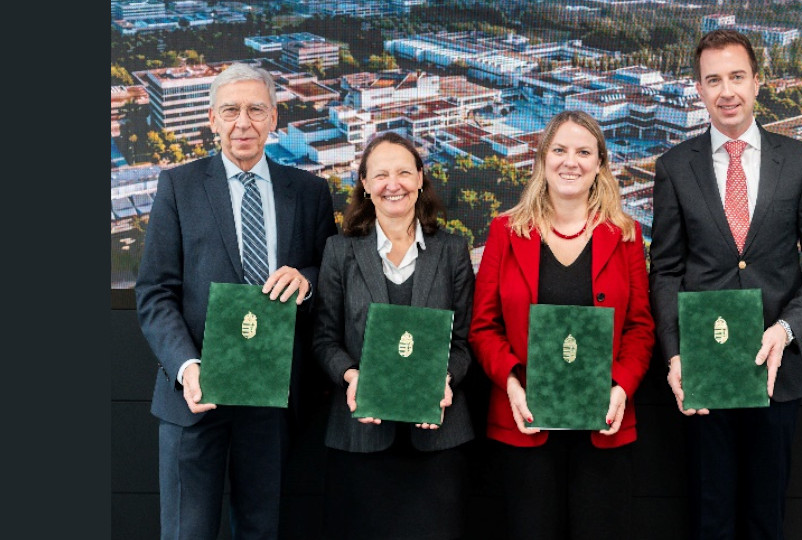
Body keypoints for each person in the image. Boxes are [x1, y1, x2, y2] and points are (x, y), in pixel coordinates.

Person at [649, 29, 802, 540]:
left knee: (766, 517)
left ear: (759, 82)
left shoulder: (800, 162)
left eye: (737, 76)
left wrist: (788, 327)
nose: (726, 90)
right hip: (704, 370)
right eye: (713, 80)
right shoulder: (674, 168)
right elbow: (665, 270)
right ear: (699, 90)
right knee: (709, 515)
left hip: (779, 369)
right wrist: (675, 355)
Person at [135, 62, 337, 539]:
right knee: (188, 531)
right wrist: (187, 367)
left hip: (271, 396)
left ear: (274, 118)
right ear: (211, 118)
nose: (242, 122)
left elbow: (332, 275)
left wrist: (306, 280)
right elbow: (154, 291)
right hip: (194, 395)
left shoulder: (309, 192)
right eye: (230, 110)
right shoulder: (178, 186)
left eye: (255, 110)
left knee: (261, 528)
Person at [468, 110, 656, 539]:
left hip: (603, 425)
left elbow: (641, 328)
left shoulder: (626, 234)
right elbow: (483, 327)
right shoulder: (504, 231)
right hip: (525, 421)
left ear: (600, 164)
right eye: (560, 150)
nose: (571, 161)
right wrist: (513, 383)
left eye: (584, 152)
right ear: (542, 159)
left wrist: (620, 386)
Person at [313, 131, 475, 540]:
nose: (393, 184)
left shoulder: (453, 251)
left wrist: (445, 379)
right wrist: (352, 377)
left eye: (404, 172)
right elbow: (324, 340)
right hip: (360, 436)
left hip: (437, 438)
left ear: (420, 179)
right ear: (365, 185)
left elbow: (464, 342)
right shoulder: (339, 252)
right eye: (380, 174)